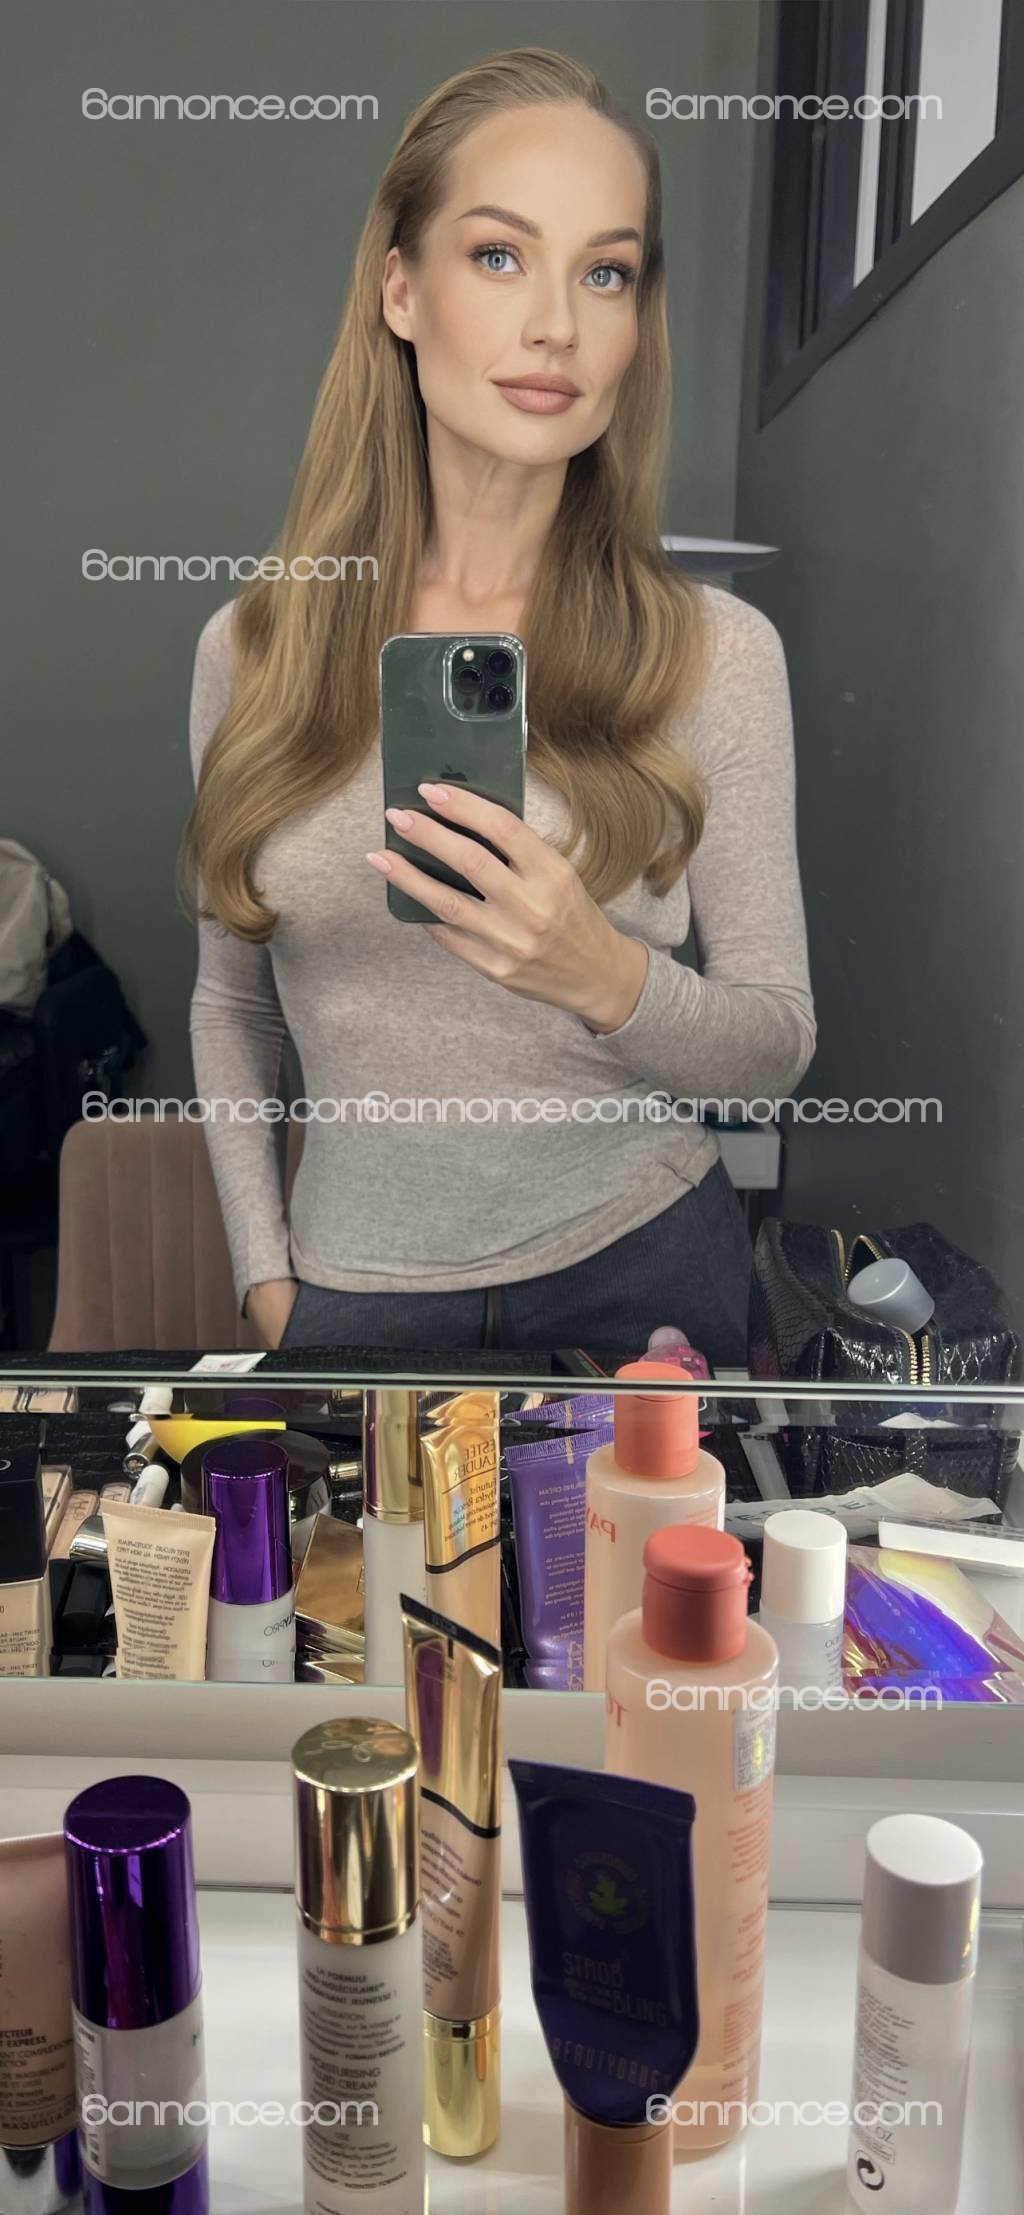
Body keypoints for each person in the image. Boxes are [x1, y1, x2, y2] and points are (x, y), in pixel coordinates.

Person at [181, 48, 815, 1361]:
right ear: (401, 291)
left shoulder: (718, 653)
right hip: (351, 1294)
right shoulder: (253, 649)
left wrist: (604, 974)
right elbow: (230, 1003)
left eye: (606, 273)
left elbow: (775, 1046)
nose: (558, 327)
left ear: (637, 321)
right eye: (498, 256)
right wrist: (264, 1276)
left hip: (645, 1270)